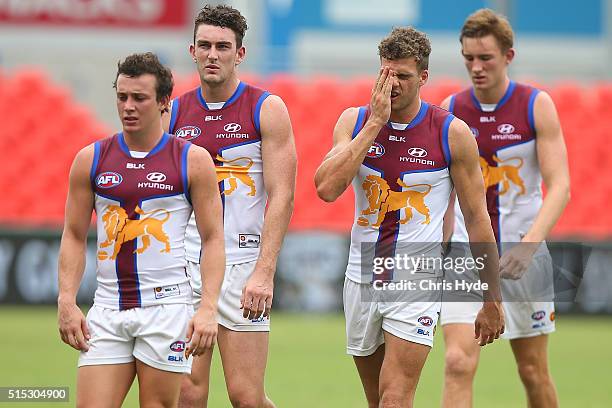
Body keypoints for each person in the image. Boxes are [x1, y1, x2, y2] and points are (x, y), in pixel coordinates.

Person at [314, 27, 504, 408]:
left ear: (423, 78)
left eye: (402, 75)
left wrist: (492, 297)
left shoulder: (451, 133)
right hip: (361, 274)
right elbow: (326, 188)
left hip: (417, 274)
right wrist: (374, 124)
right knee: (376, 399)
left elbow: (477, 218)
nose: (393, 83)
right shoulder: (354, 121)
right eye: (386, 73)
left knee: (396, 398)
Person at [57, 52, 225, 408]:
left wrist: (208, 307)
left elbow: (213, 239)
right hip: (107, 309)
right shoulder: (91, 159)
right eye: (122, 97)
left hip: (166, 309)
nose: (128, 107)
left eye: (139, 98)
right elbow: (73, 235)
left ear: (164, 102)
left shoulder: (192, 160)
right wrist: (66, 300)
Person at [164, 5, 297, 408]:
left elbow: (283, 195)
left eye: (223, 46)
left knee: (246, 397)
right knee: (187, 392)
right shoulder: (174, 112)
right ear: (192, 50)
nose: (212, 54)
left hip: (243, 266)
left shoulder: (266, 108)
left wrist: (265, 270)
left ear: (240, 54)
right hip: (186, 265)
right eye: (204, 45)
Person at [439, 9, 570, 408]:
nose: (476, 68)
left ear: (508, 56)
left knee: (532, 371)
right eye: (468, 59)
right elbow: (443, 191)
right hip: (467, 254)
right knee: (458, 361)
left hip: (522, 252)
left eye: (486, 58)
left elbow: (560, 185)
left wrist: (529, 246)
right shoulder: (450, 108)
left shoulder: (536, 104)